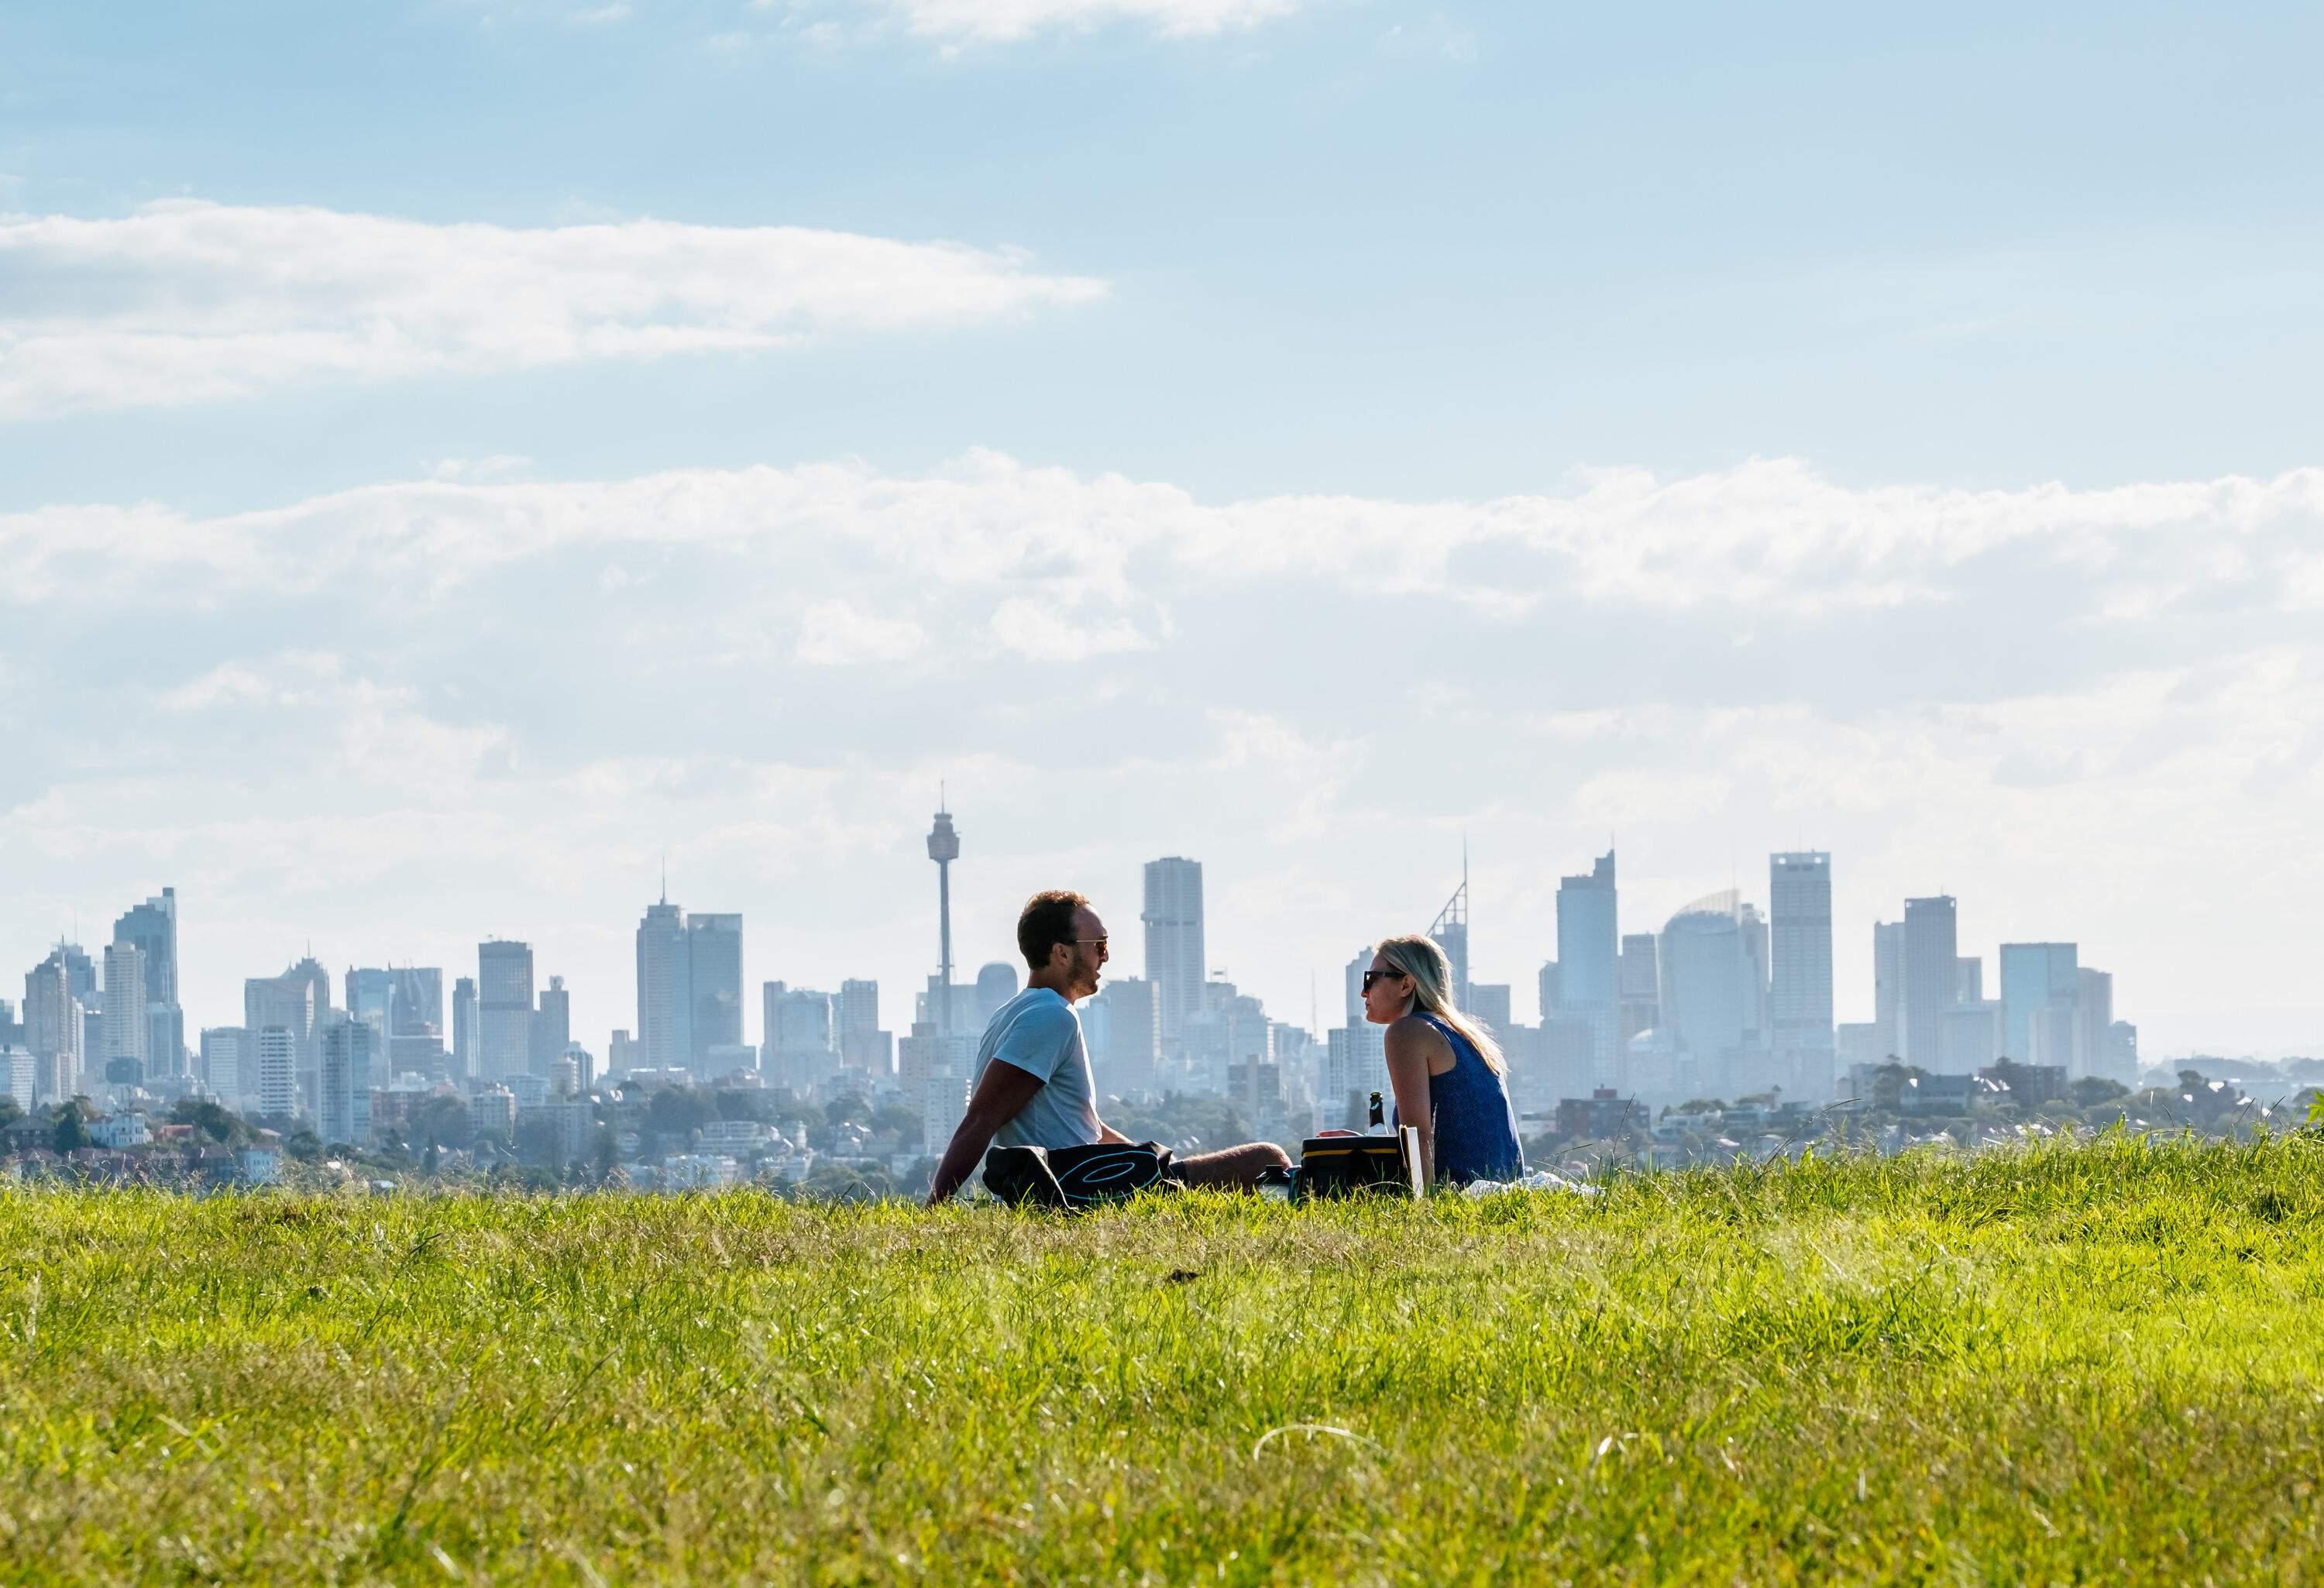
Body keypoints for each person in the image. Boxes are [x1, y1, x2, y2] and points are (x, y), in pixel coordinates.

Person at [927, 889, 1292, 1204]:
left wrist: (1151, 1165)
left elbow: (1086, 1129)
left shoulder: (1013, 1013)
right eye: (1098, 945)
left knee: (1230, 1170)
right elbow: (982, 1117)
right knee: (1267, 1161)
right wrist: (934, 1209)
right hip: (1083, 1190)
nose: (1106, 957)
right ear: (1062, 953)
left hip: (1091, 1178)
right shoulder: (1051, 1016)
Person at [1360, 934, 1523, 1187]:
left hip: (1465, 1193)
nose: (1364, 992)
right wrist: (1362, 1144)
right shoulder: (1464, 1033)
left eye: (1371, 979)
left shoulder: (1407, 1031)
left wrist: (1421, 1211)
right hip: (1509, 1190)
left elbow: (1417, 1136)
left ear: (1406, 984)